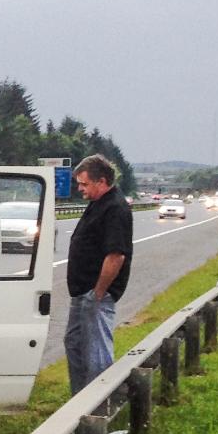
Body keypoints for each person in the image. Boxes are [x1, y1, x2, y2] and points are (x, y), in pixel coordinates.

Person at [65, 154, 132, 394]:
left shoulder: (115, 208)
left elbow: (116, 255)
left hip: (96, 294)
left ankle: (100, 404)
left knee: (96, 355)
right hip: (82, 292)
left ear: (101, 181)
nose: (79, 189)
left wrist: (98, 293)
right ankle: (79, 401)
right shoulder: (99, 203)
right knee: (75, 345)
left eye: (84, 184)